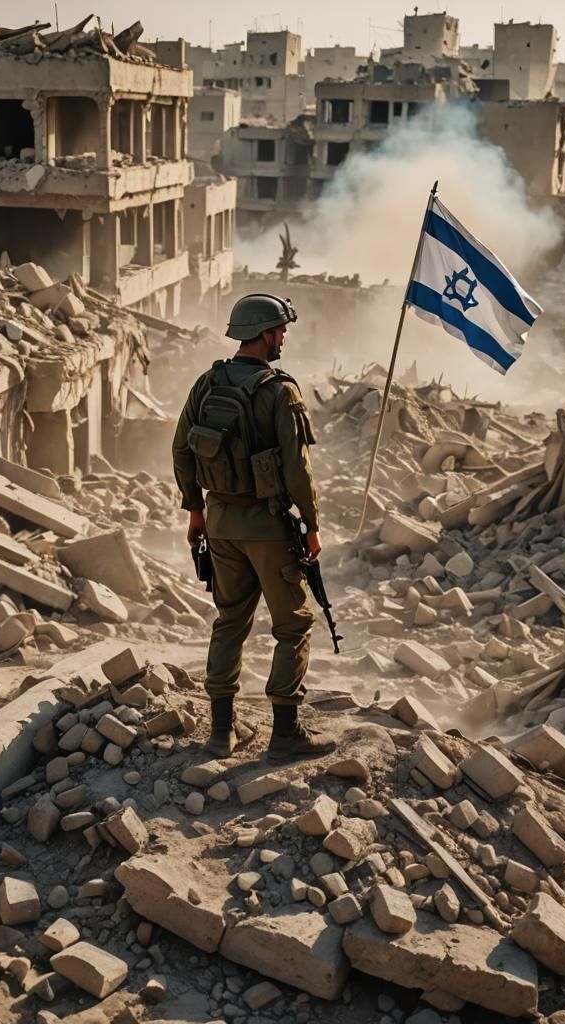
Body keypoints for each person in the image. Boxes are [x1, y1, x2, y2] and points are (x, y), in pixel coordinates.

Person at [172, 294, 336, 763]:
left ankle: (220, 734)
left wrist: (196, 511)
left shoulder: (207, 382)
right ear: (265, 333)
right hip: (269, 528)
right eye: (280, 330)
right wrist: (312, 526)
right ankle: (284, 735)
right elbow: (297, 468)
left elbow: (181, 450)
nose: (283, 337)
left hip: (220, 524)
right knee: (294, 625)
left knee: (229, 621)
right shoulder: (281, 391)